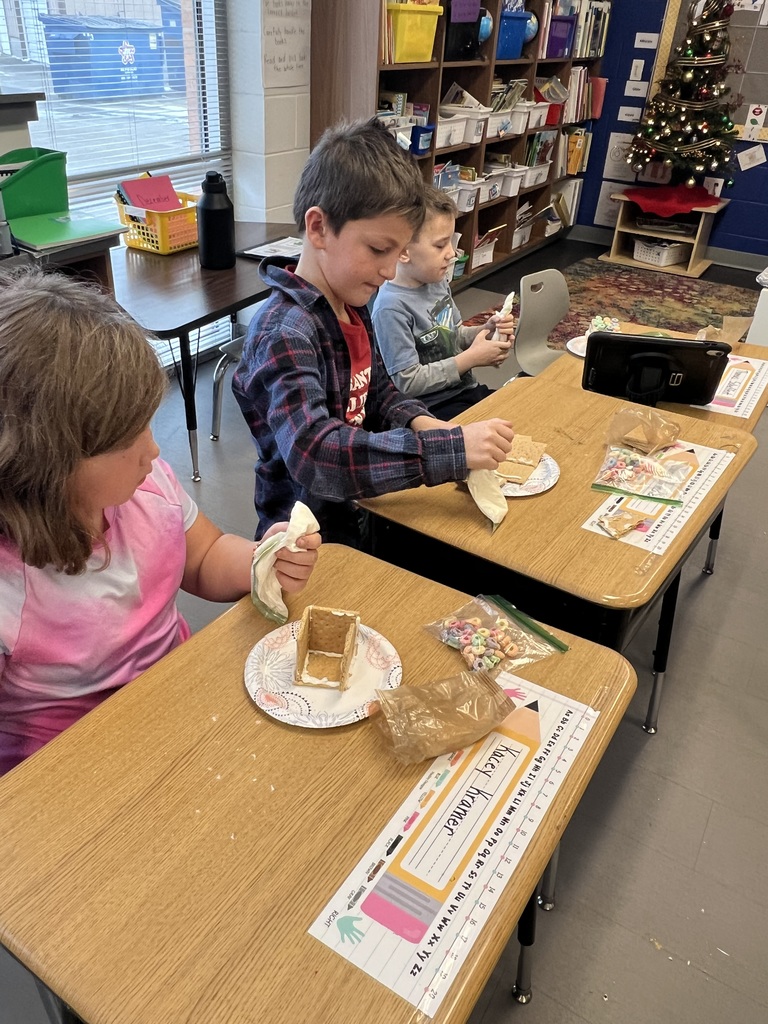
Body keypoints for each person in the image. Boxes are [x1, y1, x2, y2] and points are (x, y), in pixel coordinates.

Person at [0, 268, 320, 775]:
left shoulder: (146, 487)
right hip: (73, 768)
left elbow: (205, 557)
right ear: (46, 461)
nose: (153, 449)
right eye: (128, 439)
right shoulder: (9, 586)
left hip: (178, 703)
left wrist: (262, 562)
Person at [232, 118, 515, 545]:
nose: (388, 270)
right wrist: (446, 452)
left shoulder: (351, 300)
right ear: (318, 228)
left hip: (361, 506)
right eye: (379, 250)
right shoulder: (285, 333)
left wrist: (427, 425)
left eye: (398, 252)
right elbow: (316, 454)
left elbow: (378, 392)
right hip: (305, 539)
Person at [372, 185, 515, 421]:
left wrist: (485, 331)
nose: (452, 253)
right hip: (430, 410)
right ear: (404, 252)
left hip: (464, 391)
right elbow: (407, 382)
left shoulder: (436, 281)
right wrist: (471, 359)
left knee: (519, 409)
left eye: (451, 242)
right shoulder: (391, 307)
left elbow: (453, 335)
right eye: (440, 245)